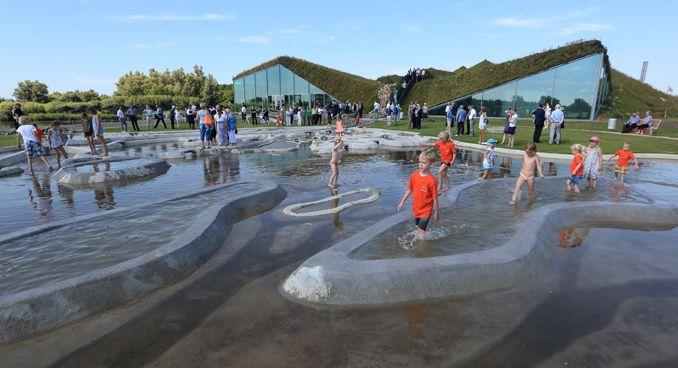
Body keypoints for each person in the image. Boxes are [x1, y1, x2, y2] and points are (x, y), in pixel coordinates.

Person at [397, 150, 440, 239]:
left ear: (431, 164)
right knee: (418, 228)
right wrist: (402, 202)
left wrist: (436, 213)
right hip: (416, 208)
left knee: (421, 230)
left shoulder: (431, 180)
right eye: (420, 162)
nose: (421, 164)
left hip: (426, 210)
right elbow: (409, 190)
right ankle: (423, 240)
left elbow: (435, 198)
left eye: (424, 163)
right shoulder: (414, 176)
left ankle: (423, 246)